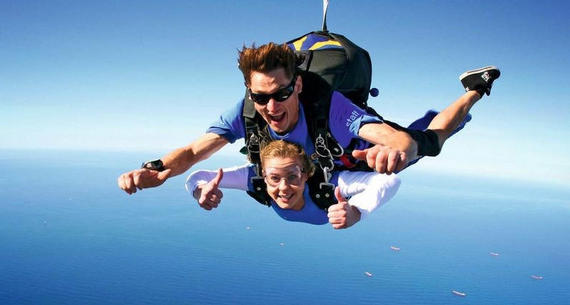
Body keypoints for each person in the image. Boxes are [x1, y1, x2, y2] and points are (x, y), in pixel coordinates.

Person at [117, 42, 500, 197]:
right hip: (314, 160)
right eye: (260, 97)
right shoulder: (244, 111)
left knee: (429, 140)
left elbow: (391, 139)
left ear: (298, 85)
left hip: (354, 150)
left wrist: (399, 148)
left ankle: (473, 91)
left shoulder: (330, 106)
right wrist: (157, 169)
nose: (270, 106)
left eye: (281, 94)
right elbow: (193, 150)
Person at [185, 140, 401, 229]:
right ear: (264, 174)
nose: (283, 187)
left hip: (365, 153)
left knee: (412, 148)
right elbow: (197, 177)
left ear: (306, 175)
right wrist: (199, 191)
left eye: (292, 176)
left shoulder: (327, 184)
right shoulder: (254, 179)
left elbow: (390, 179)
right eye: (274, 178)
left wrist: (356, 211)